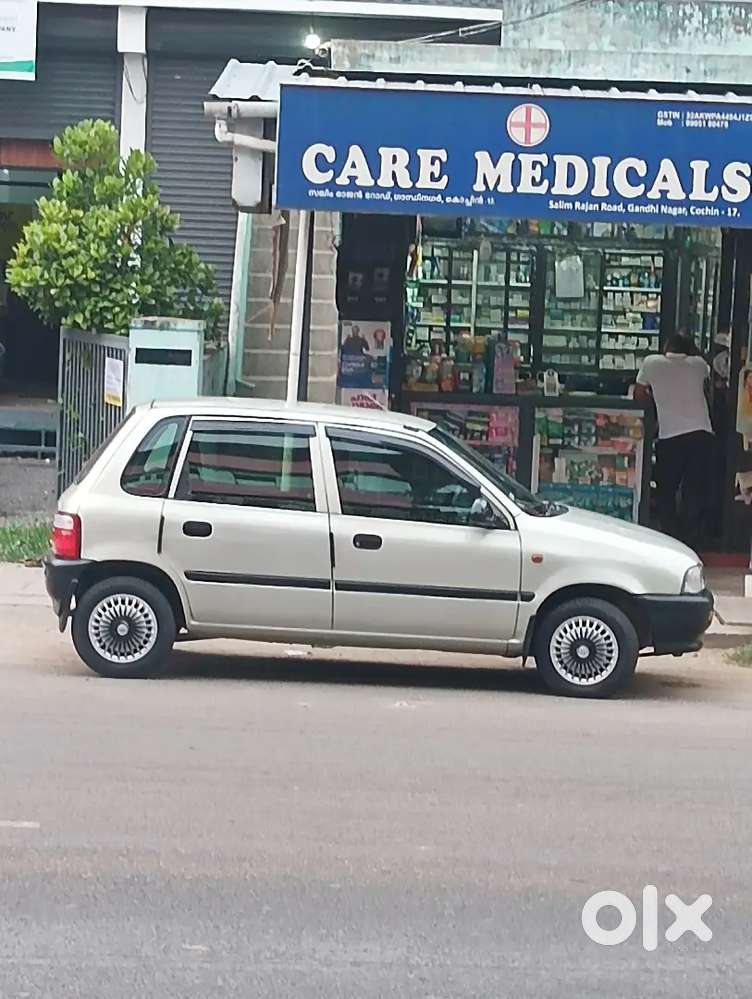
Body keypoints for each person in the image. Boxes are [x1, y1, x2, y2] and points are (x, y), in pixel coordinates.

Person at [634, 332, 713, 547]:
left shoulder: (652, 363)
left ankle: (670, 537)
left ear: (667, 346)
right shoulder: (698, 364)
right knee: (693, 489)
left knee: (666, 488)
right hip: (701, 433)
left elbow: (638, 394)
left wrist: (657, 396)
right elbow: (707, 381)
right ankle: (691, 538)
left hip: (670, 435)